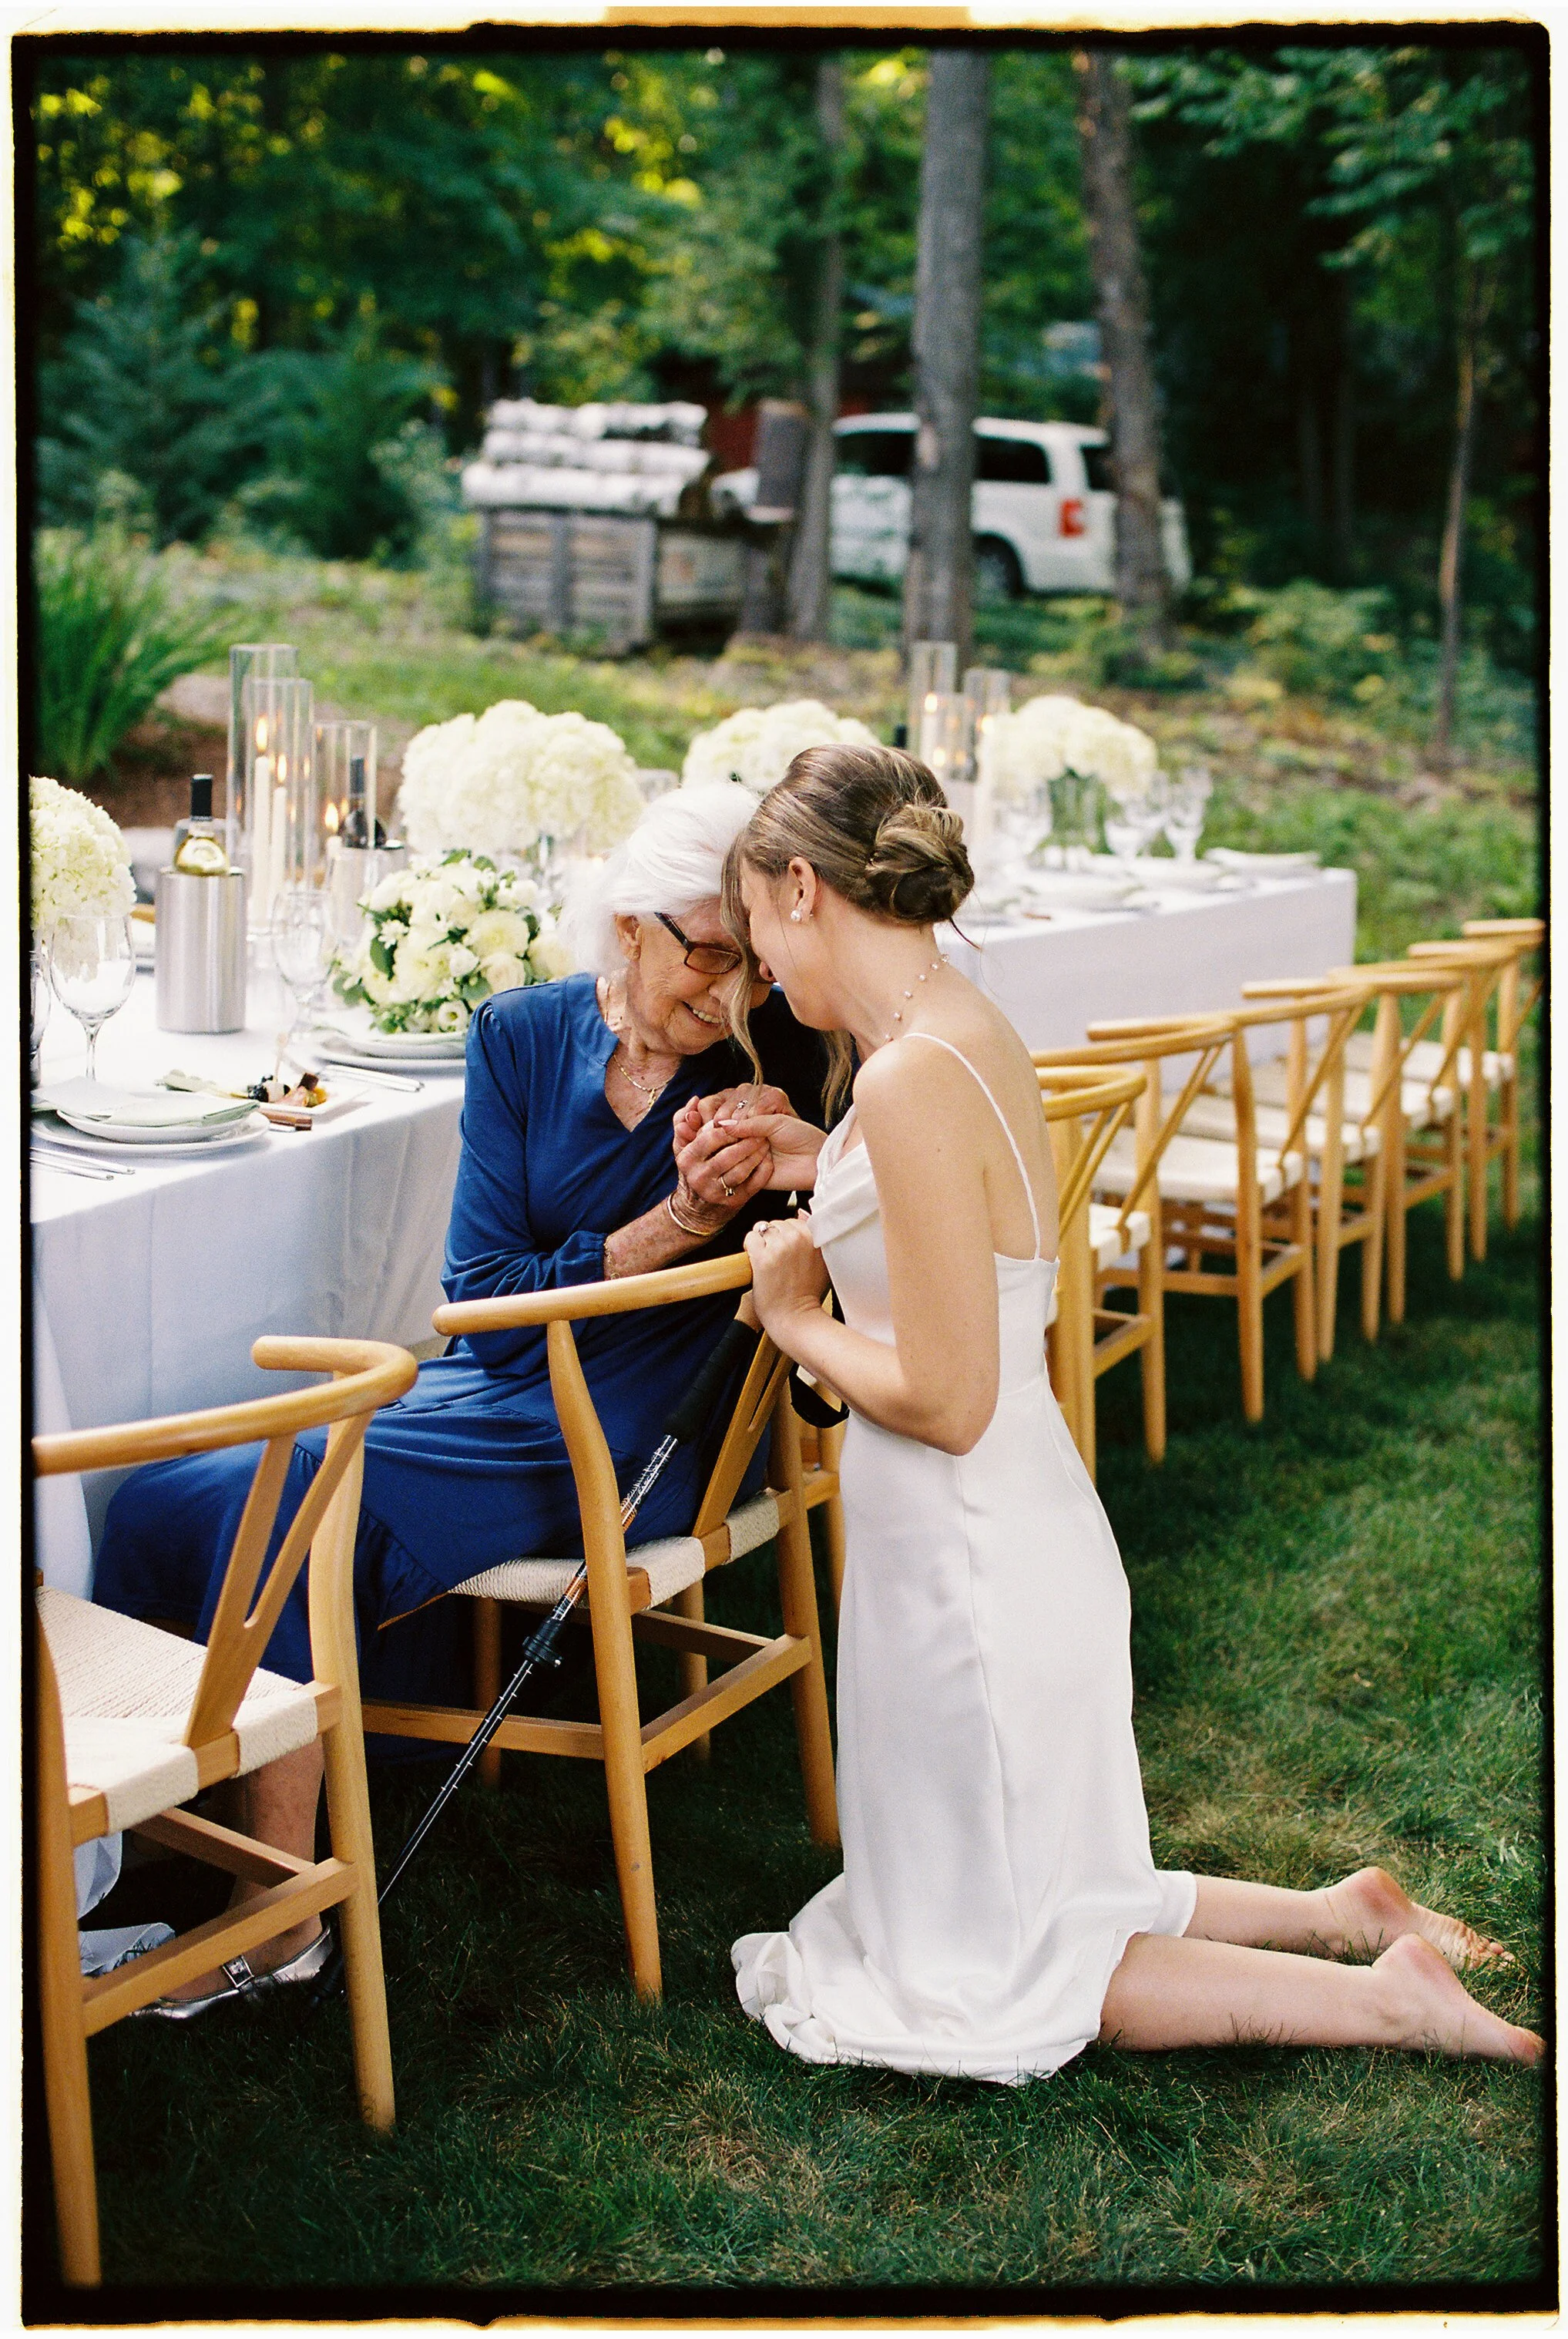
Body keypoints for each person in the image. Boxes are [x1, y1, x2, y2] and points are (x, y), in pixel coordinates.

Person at [717, 742, 1539, 2079]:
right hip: (1010, 1536)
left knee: (1026, 1971)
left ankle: (1395, 1999)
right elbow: (961, 1226)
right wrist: (834, 1165)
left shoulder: (904, 1078)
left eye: (757, 931)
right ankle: (1344, 1911)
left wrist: (791, 1309)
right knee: (1052, 1894)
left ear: (803, 886)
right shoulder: (953, 1024)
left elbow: (945, 1395)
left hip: (970, 1567)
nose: (765, 972)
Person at [94, 781, 828, 2011]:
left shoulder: (775, 1049)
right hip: (500, 1373)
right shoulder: (519, 1034)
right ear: (628, 924)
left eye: (751, 962)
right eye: (707, 952)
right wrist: (678, 1217)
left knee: (291, 1493)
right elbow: (479, 1290)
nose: (729, 991)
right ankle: (148, 1846)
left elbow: (862, 1199)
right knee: (167, 1494)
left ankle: (281, 1914)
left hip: (649, 1423)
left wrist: (798, 1146)